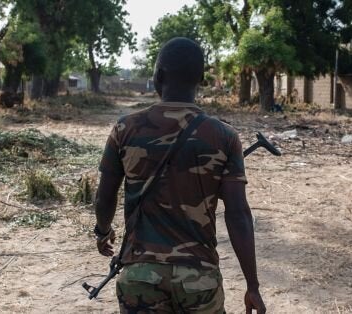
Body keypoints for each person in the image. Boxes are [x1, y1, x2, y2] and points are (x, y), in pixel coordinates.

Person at [94, 37, 266, 314]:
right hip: (199, 279)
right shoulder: (224, 136)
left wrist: (102, 231)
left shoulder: (125, 128)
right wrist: (253, 286)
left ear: (158, 75)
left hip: (140, 276)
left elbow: (105, 196)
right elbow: (238, 214)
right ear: (200, 78)